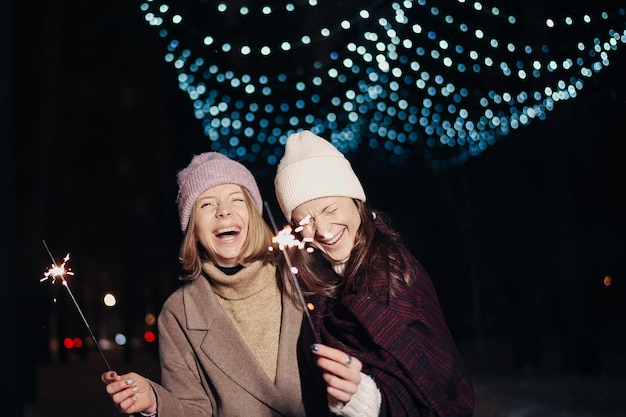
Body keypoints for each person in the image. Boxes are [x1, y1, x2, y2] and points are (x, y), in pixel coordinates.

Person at [273, 130, 475, 417]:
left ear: (356, 201)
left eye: (330, 208)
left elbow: (439, 392)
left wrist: (369, 400)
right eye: (305, 220)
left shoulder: (392, 279)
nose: (323, 229)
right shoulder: (325, 285)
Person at [101, 152, 308, 417]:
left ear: (254, 216)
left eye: (236, 199)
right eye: (207, 204)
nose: (224, 211)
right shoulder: (178, 314)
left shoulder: (303, 279)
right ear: (193, 230)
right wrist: (155, 401)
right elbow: (194, 410)